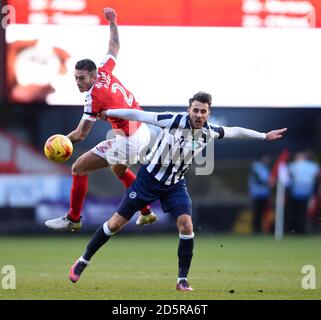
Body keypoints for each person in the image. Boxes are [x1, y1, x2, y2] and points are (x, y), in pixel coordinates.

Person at [67, 91, 287, 291]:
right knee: (114, 224)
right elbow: (140, 115)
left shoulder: (209, 132)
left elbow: (234, 131)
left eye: (203, 111)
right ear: (188, 110)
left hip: (175, 185)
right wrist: (108, 112)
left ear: (208, 113)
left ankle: (182, 279)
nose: (199, 115)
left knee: (186, 224)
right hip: (148, 180)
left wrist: (263, 136)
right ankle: (83, 260)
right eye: (195, 110)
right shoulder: (173, 120)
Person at [45, 7, 156, 231]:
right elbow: (114, 45)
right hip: (141, 130)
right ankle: (146, 212)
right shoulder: (105, 70)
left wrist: (57, 143)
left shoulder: (93, 97)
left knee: (78, 168)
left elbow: (80, 134)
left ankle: (74, 218)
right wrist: (113, 21)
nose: (78, 82)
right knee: (119, 170)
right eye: (75, 78)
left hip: (129, 139)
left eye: (82, 78)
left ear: (93, 76)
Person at [286, 150, 320, 234]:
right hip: (308, 193)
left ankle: (296, 230)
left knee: (295, 213)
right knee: (304, 213)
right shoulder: (313, 166)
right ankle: (303, 230)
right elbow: (317, 177)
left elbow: (287, 176)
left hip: (296, 193)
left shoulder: (293, 165)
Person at [248, 155, 272, 233]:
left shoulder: (266, 168)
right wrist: (268, 183)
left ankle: (261, 229)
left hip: (265, 194)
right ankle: (256, 230)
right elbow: (258, 179)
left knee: (263, 213)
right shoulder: (256, 166)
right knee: (257, 213)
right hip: (257, 193)